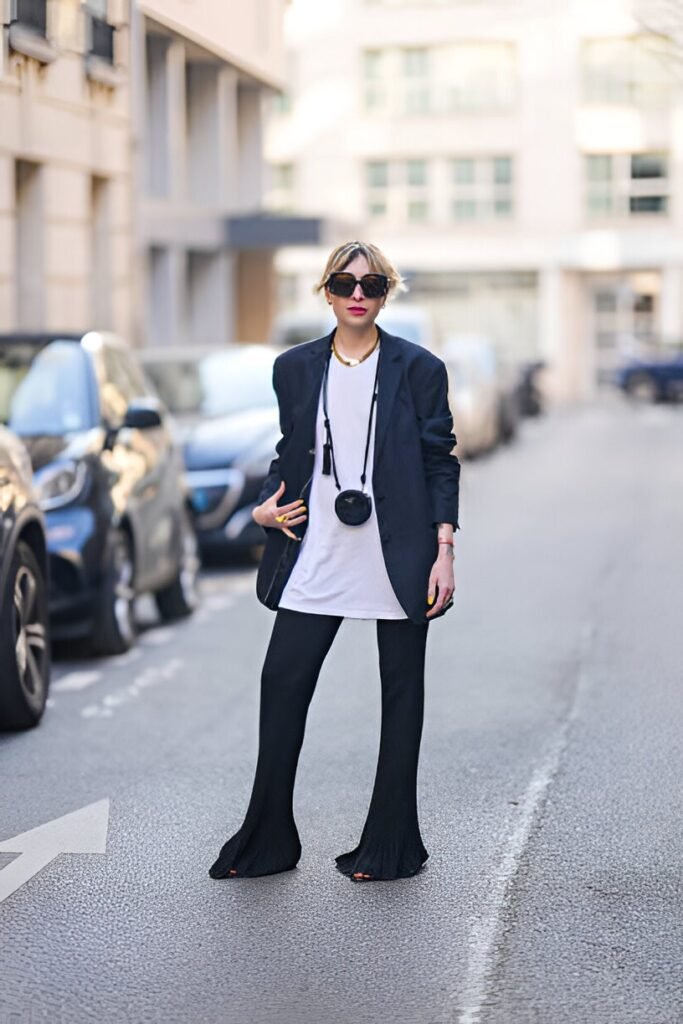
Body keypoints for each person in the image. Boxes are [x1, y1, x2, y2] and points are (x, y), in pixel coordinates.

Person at [208, 241, 460, 883]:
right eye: (345, 283)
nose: (358, 293)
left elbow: (440, 461)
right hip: (315, 551)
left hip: (397, 553)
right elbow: (291, 450)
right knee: (282, 686)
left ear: (386, 294)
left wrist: (444, 551)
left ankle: (390, 846)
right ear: (325, 291)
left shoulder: (420, 369)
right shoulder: (293, 368)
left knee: (401, 696)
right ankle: (267, 841)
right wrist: (267, 507)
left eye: (372, 284)